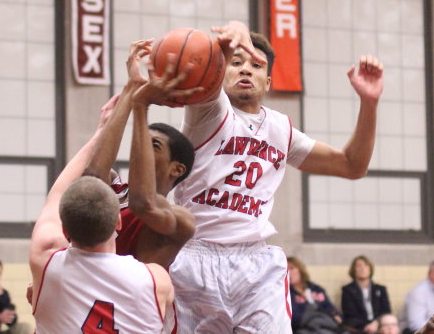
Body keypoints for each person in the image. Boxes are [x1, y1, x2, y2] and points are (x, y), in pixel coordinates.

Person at [165, 20, 384, 333]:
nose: (245, 69)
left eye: (256, 65)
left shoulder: (281, 129)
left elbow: (352, 166)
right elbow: (212, 66)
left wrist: (369, 103)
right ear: (220, 74)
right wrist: (236, 29)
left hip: (255, 262)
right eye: (236, 63)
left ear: (267, 82)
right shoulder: (209, 111)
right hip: (195, 257)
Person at [28, 86, 179, 334]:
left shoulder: (46, 264)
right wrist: (138, 104)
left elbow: (56, 195)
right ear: (118, 221)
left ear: (65, 230)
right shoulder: (156, 280)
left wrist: (101, 131)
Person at [81, 40, 196, 268]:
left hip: (127, 293)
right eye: (140, 140)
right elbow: (92, 178)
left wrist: (141, 105)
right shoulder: (116, 191)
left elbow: (142, 203)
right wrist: (131, 88)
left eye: (153, 145)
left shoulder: (181, 221)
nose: (140, 147)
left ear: (177, 168)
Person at [288, 256, 343, 333]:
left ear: (300, 270)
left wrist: (336, 315)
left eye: (291, 268)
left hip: (325, 325)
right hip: (303, 328)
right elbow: (294, 318)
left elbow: (329, 307)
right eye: (286, 270)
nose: (288, 273)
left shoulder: (316, 289)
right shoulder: (287, 293)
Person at [341, 255, 392, 333]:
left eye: (366, 265)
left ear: (370, 269)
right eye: (359, 266)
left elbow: (386, 311)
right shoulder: (347, 290)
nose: (363, 268)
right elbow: (350, 314)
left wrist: (376, 323)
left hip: (379, 325)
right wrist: (366, 326)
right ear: (354, 270)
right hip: (358, 328)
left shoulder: (380, 289)